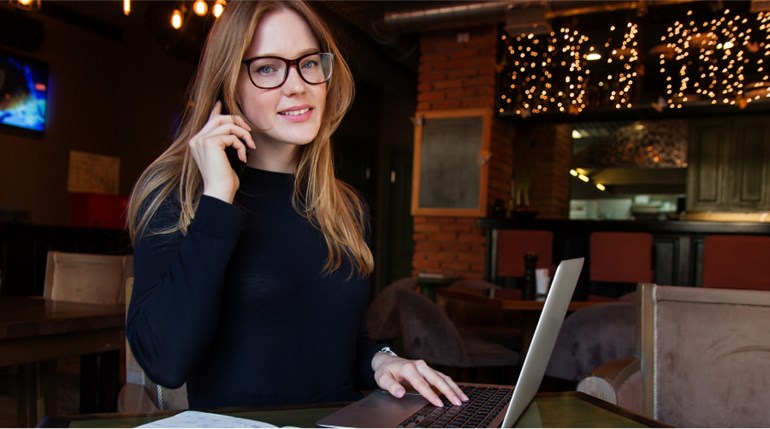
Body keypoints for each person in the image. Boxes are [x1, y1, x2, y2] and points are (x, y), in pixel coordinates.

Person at [125, 0, 468, 410]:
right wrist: (217, 196)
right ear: (229, 82)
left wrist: (380, 361)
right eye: (268, 68)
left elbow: (337, 341)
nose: (297, 85)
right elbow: (165, 361)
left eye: (308, 63)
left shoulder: (345, 205)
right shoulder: (175, 195)